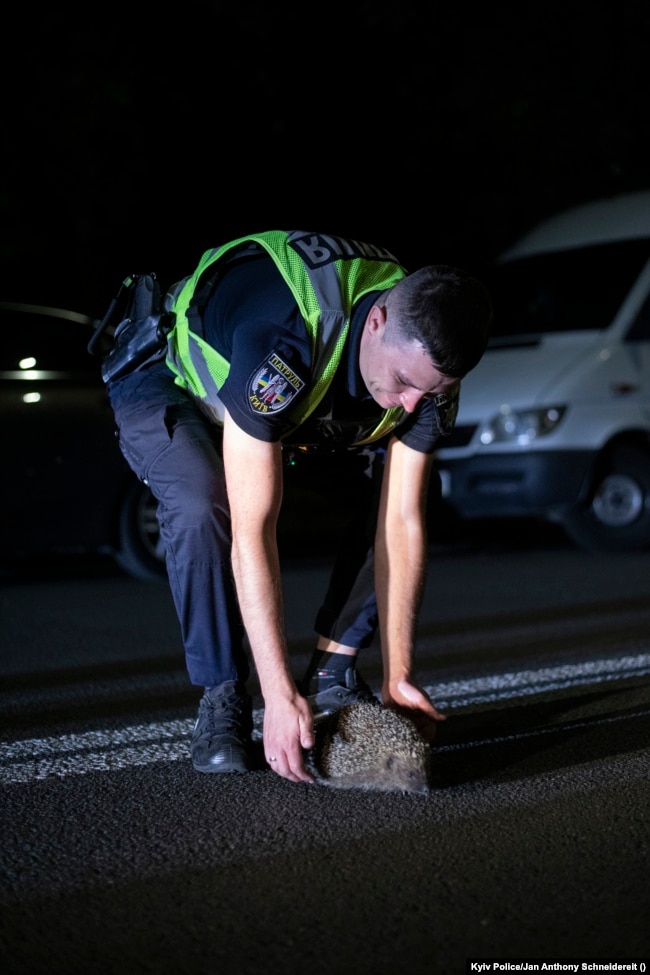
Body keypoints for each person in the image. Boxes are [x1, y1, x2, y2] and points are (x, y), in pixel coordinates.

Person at [107, 229, 492, 784]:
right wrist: (275, 693)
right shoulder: (284, 340)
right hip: (170, 369)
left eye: (430, 392)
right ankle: (222, 695)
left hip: (303, 400)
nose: (413, 404)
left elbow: (402, 520)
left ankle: (333, 669)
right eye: (407, 382)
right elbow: (252, 527)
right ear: (378, 321)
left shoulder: (428, 366)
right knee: (201, 498)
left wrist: (399, 673)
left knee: (394, 494)